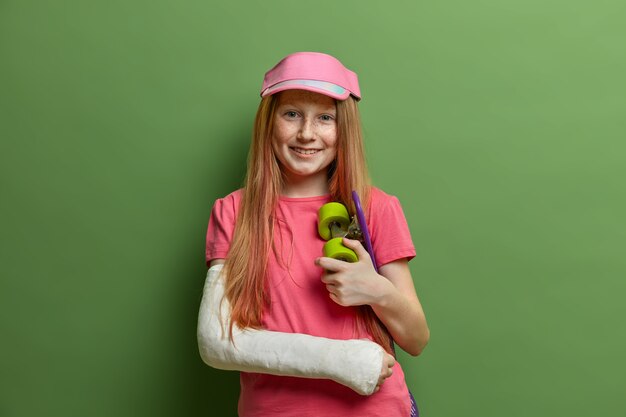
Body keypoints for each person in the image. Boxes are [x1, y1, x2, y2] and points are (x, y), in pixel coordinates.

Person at [197, 51, 429, 417]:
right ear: (269, 122)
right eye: (292, 114)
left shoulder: (376, 208)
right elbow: (216, 339)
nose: (307, 133)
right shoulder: (233, 213)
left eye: (325, 118)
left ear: (344, 129)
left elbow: (416, 339)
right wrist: (339, 358)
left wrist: (376, 289)